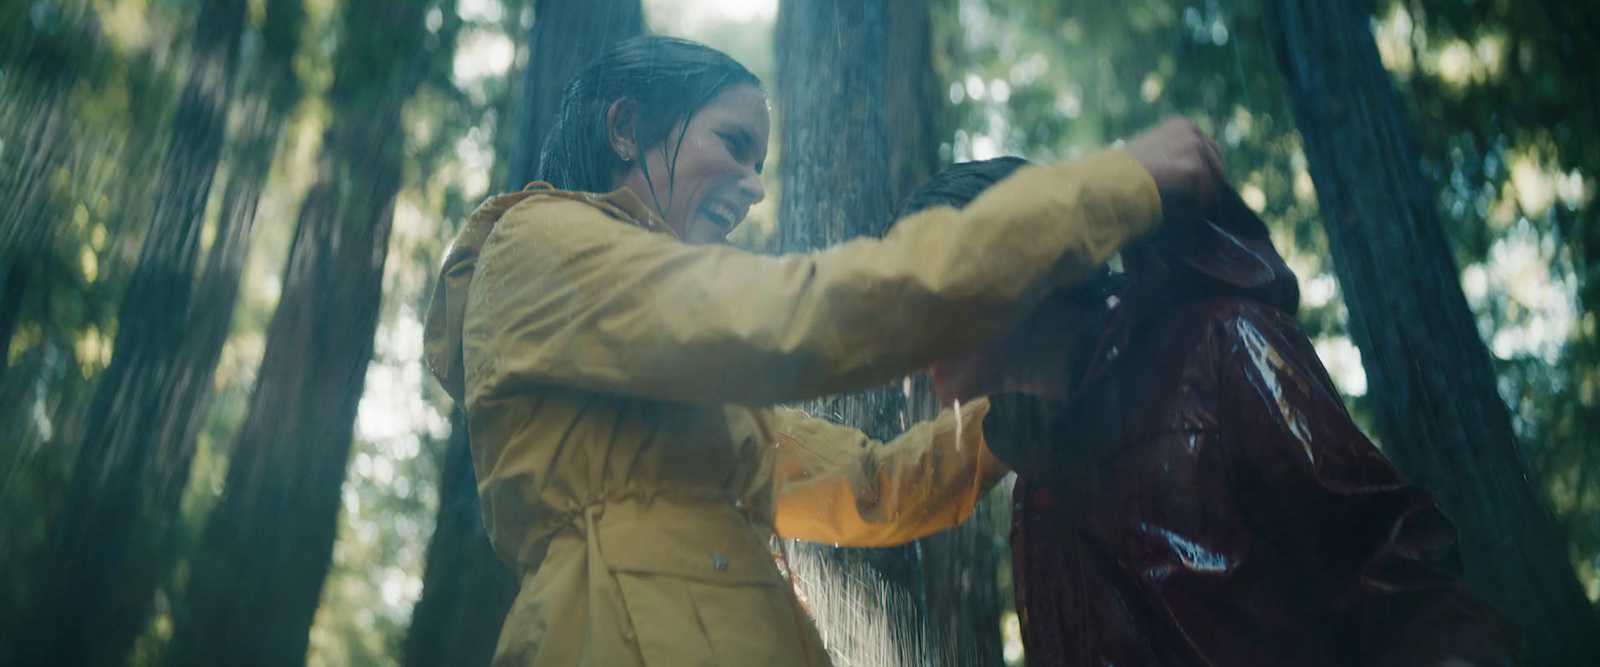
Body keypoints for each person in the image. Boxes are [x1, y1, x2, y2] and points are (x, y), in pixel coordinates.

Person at [422, 34, 1223, 666]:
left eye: (760, 161)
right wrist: (1109, 188)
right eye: (733, 143)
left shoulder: (689, 398)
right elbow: (797, 317)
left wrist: (1029, 384)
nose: (755, 183)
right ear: (627, 128)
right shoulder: (541, 245)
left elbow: (874, 485)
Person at [915, 157, 1519, 667]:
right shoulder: (1032, 488)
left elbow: (1402, 575)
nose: (904, 333)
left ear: (1016, 269)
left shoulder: (1224, 346)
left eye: (925, 291)